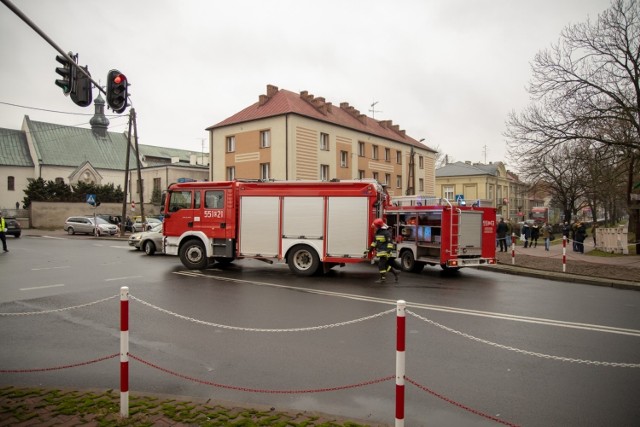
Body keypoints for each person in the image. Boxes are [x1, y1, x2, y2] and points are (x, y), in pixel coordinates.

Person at [366, 218, 400, 283]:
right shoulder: (378, 232)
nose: (374, 227)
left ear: (378, 226)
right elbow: (374, 242)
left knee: (381, 265)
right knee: (384, 265)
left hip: (385, 252)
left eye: (375, 226)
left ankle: (383, 278)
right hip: (381, 251)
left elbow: (390, 243)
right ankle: (395, 272)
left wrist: (388, 251)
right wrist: (369, 250)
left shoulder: (386, 233)